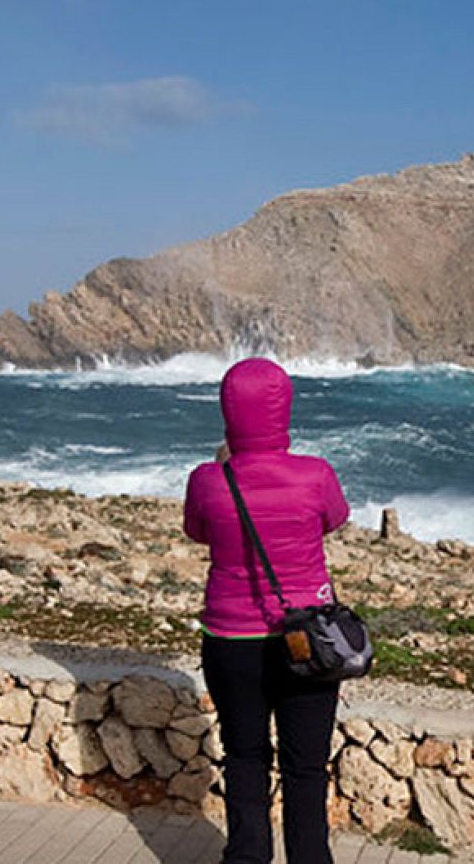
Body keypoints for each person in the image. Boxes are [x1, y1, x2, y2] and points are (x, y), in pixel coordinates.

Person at [182, 358, 350, 864]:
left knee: (245, 758)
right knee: (306, 768)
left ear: (228, 412)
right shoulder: (315, 475)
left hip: (231, 643)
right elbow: (333, 519)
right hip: (308, 642)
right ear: (283, 410)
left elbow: (197, 531)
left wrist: (229, 462)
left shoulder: (209, 479)